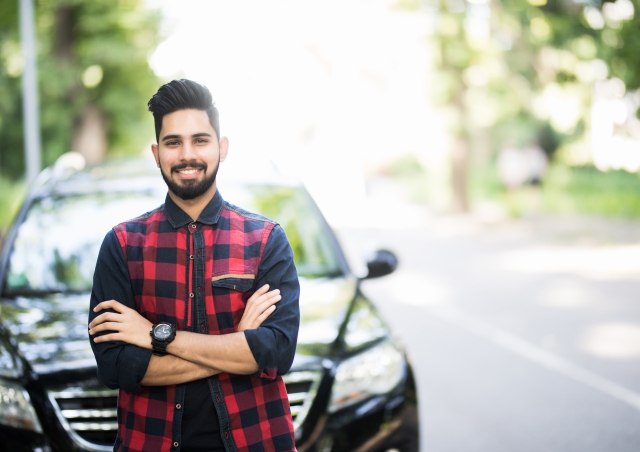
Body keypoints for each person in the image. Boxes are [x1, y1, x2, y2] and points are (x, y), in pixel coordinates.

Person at [88, 79, 300, 452]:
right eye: (173, 143)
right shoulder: (122, 245)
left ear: (222, 147)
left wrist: (156, 336)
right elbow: (116, 366)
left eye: (200, 140)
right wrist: (239, 347)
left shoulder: (266, 240)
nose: (187, 154)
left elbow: (276, 353)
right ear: (156, 153)